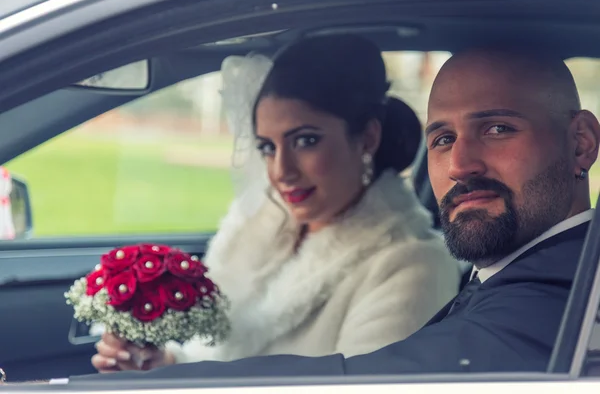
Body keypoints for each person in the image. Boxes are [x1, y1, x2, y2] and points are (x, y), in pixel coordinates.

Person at [42, 44, 600, 385]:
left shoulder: (559, 294)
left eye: (497, 128)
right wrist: (162, 364)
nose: (459, 163)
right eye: (442, 137)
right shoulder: (510, 271)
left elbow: (357, 383)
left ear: (580, 144)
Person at [90, 34, 460, 373]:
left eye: (305, 141)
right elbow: (222, 358)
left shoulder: (414, 265)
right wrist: (162, 364)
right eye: (268, 147)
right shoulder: (254, 229)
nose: (280, 171)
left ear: (367, 138)